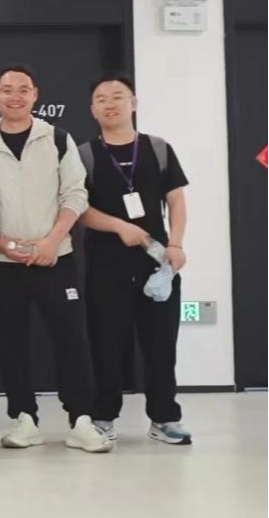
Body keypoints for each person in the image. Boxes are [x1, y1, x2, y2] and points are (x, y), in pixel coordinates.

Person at [0, 64, 112, 453]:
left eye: (23, 89)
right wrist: (0, 243)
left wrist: (52, 240)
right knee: (11, 342)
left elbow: (75, 194)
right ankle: (24, 419)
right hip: (3, 263)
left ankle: (81, 420)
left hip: (56, 259)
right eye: (7, 89)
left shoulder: (58, 138)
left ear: (35, 95)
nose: (15, 96)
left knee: (71, 340)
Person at [79, 75, 191, 445]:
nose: (110, 104)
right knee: (106, 344)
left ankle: (165, 417)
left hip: (156, 263)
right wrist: (117, 226)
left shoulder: (158, 149)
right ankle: (103, 417)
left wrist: (176, 244)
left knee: (161, 344)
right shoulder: (84, 155)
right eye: (101, 99)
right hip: (105, 265)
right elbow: (77, 209)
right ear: (92, 110)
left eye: (117, 96)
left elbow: (176, 200)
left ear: (134, 103)